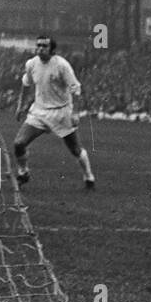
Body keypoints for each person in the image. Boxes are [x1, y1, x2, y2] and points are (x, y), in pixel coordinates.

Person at [13, 34, 94, 190]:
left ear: (52, 50)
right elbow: (26, 84)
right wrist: (20, 106)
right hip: (39, 111)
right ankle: (23, 172)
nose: (40, 49)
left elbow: (75, 88)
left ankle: (89, 177)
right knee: (19, 143)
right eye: (39, 46)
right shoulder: (31, 64)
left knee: (75, 149)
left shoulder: (62, 65)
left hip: (61, 112)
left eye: (44, 46)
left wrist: (75, 112)